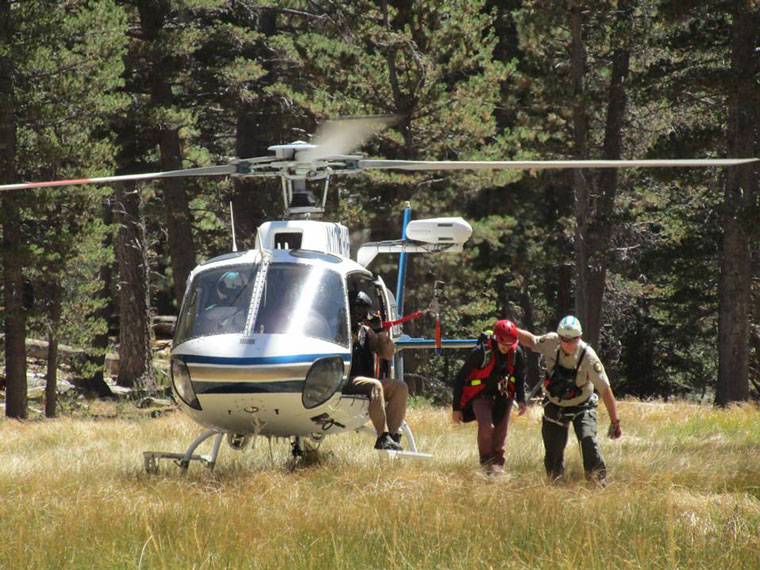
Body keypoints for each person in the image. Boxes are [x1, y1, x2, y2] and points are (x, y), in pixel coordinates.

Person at [516, 315, 622, 484]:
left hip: (583, 404)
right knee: (553, 450)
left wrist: (615, 421)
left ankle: (597, 481)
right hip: (555, 404)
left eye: (574, 339)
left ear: (579, 337)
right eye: (565, 339)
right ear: (559, 337)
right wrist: (511, 330)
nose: (569, 344)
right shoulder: (551, 342)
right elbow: (531, 341)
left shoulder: (588, 357)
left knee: (588, 440)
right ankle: (555, 482)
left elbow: (605, 389)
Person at [452, 319, 527, 473]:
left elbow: (519, 378)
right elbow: (460, 378)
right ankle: (486, 465)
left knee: (500, 432)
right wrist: (456, 408)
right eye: (504, 344)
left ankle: (498, 467)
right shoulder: (480, 352)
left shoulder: (516, 353)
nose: (507, 348)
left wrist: (521, 400)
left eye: (510, 344)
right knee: (486, 426)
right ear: (496, 339)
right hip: (481, 395)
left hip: (504, 396)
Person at [344, 291, 408, 451]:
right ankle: (382, 436)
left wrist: (380, 331)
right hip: (345, 380)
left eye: (363, 311)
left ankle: (393, 436)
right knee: (375, 386)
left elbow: (387, 353)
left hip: (366, 382)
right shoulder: (340, 330)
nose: (360, 315)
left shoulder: (366, 332)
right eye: (357, 310)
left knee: (400, 387)